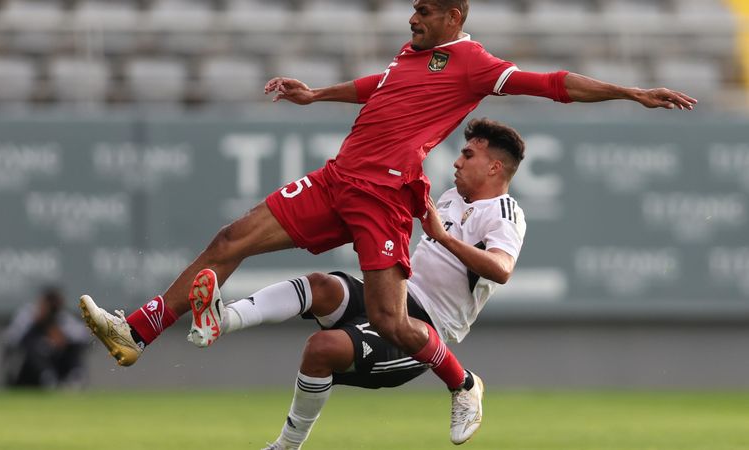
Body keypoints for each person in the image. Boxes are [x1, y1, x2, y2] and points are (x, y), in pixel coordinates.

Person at [79, 0, 695, 436]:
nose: (413, 16)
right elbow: (382, 85)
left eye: (426, 10)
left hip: (384, 195)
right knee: (229, 239)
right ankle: (137, 332)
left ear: (455, 16)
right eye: (414, 9)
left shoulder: (475, 64)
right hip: (337, 178)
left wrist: (630, 91)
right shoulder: (411, 54)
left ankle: (463, 385)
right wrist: (317, 94)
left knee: (388, 320)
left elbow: (553, 83)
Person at [192, 118, 526, 448]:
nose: (457, 161)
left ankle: (287, 446)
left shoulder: (504, 212)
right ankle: (222, 321)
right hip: (398, 297)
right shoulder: (453, 196)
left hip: (427, 328)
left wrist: (441, 236)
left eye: (468, 155)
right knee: (320, 286)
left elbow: (501, 268)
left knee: (321, 350)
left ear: (495, 167)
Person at [1, 286, 90, 388]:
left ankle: (75, 380)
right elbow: (10, 339)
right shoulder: (28, 314)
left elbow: (84, 337)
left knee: (73, 349)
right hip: (28, 370)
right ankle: (47, 379)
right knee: (34, 349)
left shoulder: (62, 318)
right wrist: (35, 324)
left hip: (57, 365)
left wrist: (63, 338)